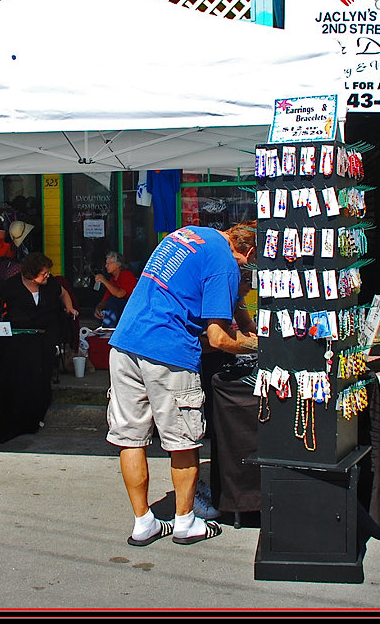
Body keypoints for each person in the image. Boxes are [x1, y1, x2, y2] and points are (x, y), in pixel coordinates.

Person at [106, 223, 257, 547]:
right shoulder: (226, 263)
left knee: (131, 439)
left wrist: (247, 323)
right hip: (167, 350)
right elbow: (218, 339)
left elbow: (225, 299)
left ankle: (143, 522)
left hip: (125, 343)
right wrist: (258, 345)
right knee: (183, 441)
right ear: (250, 252)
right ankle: (185, 521)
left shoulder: (189, 234)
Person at [0, 252, 78, 376]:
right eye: (44, 274)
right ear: (32, 275)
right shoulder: (13, 284)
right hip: (21, 330)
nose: (48, 275)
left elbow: (64, 293)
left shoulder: (51, 282)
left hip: (47, 329)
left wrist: (69, 308)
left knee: (47, 347)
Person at [93, 251, 138, 327]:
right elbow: (105, 300)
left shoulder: (127, 275)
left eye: (108, 263)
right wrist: (99, 308)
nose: (106, 266)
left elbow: (120, 294)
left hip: (130, 308)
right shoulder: (112, 280)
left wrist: (104, 280)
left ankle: (108, 328)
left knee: (113, 301)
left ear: (117, 265)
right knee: (99, 309)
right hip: (119, 310)